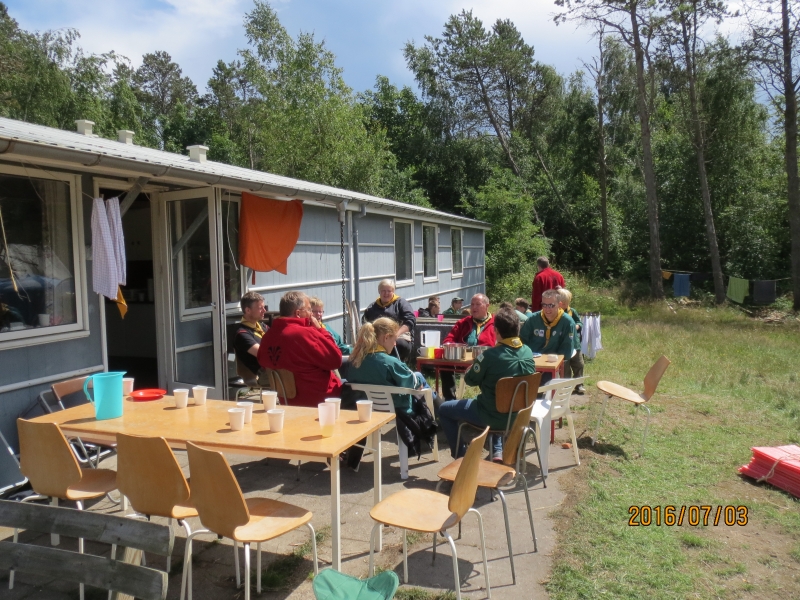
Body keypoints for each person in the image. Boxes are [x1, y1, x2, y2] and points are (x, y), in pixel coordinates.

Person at [438, 307, 536, 461]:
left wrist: (473, 368)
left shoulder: (489, 355)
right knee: (494, 399)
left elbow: (470, 380)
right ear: (518, 328)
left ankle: (461, 458)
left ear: (496, 331)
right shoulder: (528, 352)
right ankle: (497, 450)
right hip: (519, 416)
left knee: (444, 409)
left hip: (490, 415)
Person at [344, 317, 437, 467]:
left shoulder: (356, 359)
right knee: (419, 378)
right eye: (394, 340)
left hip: (368, 408)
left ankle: (436, 401)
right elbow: (411, 382)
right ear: (386, 338)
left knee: (416, 379)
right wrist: (418, 382)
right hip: (397, 408)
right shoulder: (389, 362)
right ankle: (437, 406)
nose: (395, 344)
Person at [257, 291, 343, 407]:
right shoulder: (306, 334)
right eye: (309, 310)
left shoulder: (267, 336)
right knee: (357, 392)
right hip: (321, 400)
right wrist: (320, 330)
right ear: (298, 313)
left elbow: (262, 361)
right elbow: (336, 360)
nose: (311, 314)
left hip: (286, 400)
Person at [440, 294, 496, 400]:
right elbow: (448, 340)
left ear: (487, 306)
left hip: (487, 362)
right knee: (444, 364)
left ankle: (488, 399)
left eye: (478, 304)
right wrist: (454, 347)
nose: (474, 307)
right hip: (463, 360)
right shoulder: (463, 322)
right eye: (472, 304)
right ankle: (449, 399)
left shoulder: (496, 323)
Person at [520, 289, 576, 385]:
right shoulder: (533, 319)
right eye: (544, 305)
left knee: (544, 383)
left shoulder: (567, 322)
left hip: (552, 364)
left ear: (559, 304)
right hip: (532, 363)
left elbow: (566, 349)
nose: (547, 309)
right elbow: (522, 341)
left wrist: (553, 362)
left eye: (551, 305)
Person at [362, 279, 416, 363]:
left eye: (389, 291)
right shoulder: (372, 307)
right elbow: (365, 321)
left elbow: (410, 320)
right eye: (383, 291)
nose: (386, 293)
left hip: (399, 334)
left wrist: (395, 335)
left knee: (400, 345)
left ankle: (395, 365)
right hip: (378, 336)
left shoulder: (401, 303)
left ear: (393, 291)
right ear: (379, 291)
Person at [233, 291, 269, 385]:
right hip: (261, 375)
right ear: (248, 310)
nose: (264, 310)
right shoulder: (242, 334)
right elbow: (263, 354)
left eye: (264, 307)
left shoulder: (263, 327)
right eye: (260, 308)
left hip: (272, 370)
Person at [558, 288, 586, 394]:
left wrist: (577, 325)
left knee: (579, 364)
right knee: (565, 367)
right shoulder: (555, 313)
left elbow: (579, 322)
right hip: (562, 345)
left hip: (575, 343)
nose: (565, 305)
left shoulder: (571, 311)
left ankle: (579, 385)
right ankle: (566, 385)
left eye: (567, 302)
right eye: (563, 303)